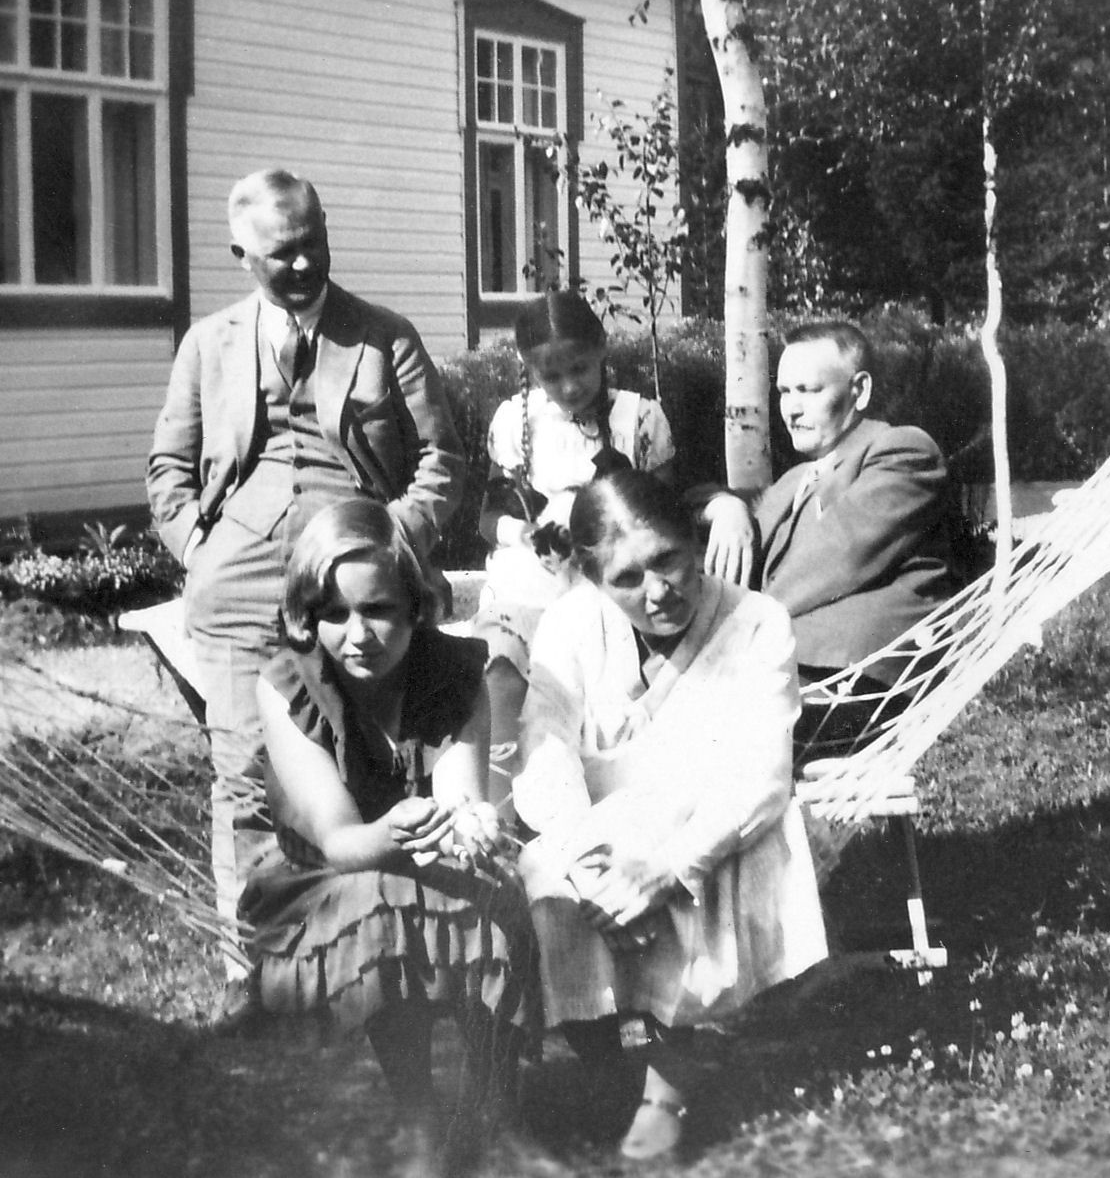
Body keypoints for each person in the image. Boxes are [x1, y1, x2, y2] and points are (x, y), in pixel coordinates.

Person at [147, 168, 465, 1007]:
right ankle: (251, 967)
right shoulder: (208, 344)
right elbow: (167, 468)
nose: (302, 265)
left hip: (352, 583)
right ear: (241, 254)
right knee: (244, 774)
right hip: (239, 584)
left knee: (364, 768)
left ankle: (368, 951)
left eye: (313, 243)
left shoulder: (384, 336)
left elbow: (442, 459)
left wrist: (393, 543)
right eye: (281, 253)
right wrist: (200, 549)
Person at [512, 470, 828, 1161]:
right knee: (546, 887)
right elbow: (544, 742)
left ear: (694, 540)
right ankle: (613, 1067)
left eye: (668, 561)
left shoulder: (756, 622)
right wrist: (589, 866)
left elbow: (761, 776)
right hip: (603, 836)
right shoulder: (571, 623)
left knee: (692, 895)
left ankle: (665, 1086)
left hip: (715, 826)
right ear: (593, 577)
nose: (657, 591)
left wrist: (668, 868)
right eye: (627, 578)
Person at [241, 499, 535, 1172]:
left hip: (424, 845)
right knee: (381, 911)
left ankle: (491, 1092)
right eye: (334, 614)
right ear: (308, 616)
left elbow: (460, 795)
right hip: (332, 871)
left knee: (488, 898)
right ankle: (417, 1108)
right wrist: (395, 833)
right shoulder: (287, 686)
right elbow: (340, 839)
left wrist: (467, 824)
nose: (358, 635)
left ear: (414, 606)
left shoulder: (456, 671)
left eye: (377, 610)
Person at [474, 290, 676, 781]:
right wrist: (527, 533)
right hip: (532, 586)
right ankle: (501, 799)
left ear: (601, 347)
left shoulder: (637, 418)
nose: (568, 387)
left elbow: (663, 516)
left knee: (603, 697)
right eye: (551, 376)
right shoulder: (517, 420)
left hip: (607, 590)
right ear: (529, 368)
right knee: (499, 663)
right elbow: (491, 515)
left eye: (580, 369)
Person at [702, 320, 962, 685]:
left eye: (808, 390)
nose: (791, 409)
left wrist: (728, 630)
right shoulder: (794, 480)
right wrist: (725, 507)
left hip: (855, 675)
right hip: (782, 667)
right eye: (784, 392)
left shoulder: (901, 451)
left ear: (860, 390)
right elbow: (685, 512)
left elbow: (840, 554)